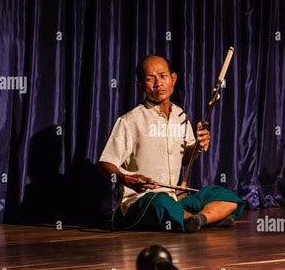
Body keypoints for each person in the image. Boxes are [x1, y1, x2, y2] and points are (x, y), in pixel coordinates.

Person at [97, 55, 246, 232]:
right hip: (141, 202)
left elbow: (186, 159)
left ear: (173, 79)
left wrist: (198, 146)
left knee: (225, 195)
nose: (158, 83)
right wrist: (126, 179)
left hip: (176, 198)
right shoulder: (129, 121)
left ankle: (197, 220)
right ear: (140, 86)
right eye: (150, 79)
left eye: (163, 76)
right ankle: (205, 219)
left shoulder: (181, 117)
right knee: (160, 202)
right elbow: (105, 164)